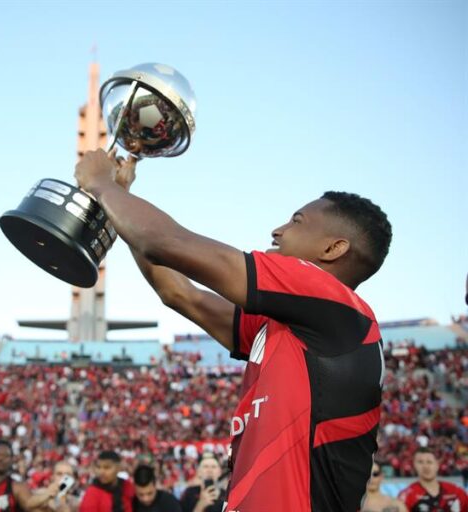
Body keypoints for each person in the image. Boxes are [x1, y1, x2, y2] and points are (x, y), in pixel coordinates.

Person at [74, 149, 393, 511]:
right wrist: (122, 199)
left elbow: (164, 241)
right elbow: (179, 293)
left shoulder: (334, 301)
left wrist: (100, 183)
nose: (278, 230)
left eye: (297, 221)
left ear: (333, 249)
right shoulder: (295, 327)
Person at [397, 447, 468, 512]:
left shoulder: (456, 492)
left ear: (437, 465)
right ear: (414, 466)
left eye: (429, 462)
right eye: (420, 462)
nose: (425, 466)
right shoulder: (407, 496)